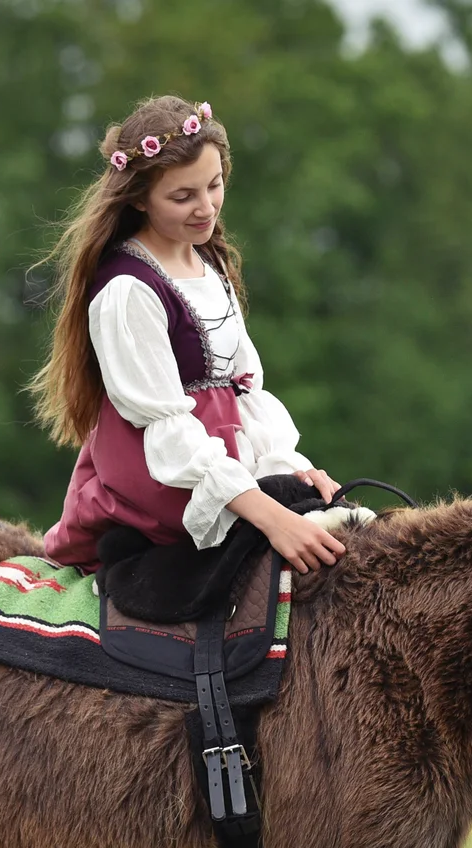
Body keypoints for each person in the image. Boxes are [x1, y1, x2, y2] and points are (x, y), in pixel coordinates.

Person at [31, 94, 345, 573]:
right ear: (138, 198)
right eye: (182, 197)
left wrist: (286, 464)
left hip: (224, 452)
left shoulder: (207, 258)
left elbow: (244, 389)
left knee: (321, 504)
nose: (206, 208)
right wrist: (273, 517)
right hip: (163, 471)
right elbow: (167, 431)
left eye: (214, 186)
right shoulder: (127, 290)